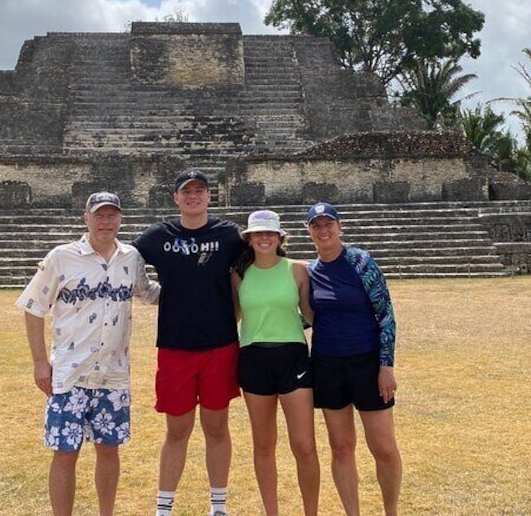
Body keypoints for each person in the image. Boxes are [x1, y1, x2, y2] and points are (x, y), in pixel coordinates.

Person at [15, 191, 160, 516]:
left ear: (120, 218)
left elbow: (148, 293)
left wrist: (197, 284)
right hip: (70, 372)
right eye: (99, 215)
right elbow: (33, 307)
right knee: (66, 452)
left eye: (112, 215)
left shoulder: (131, 258)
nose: (105, 222)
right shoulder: (61, 258)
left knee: (109, 449)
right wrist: (40, 362)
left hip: (113, 373)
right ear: (86, 218)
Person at [131, 169, 245, 516]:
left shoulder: (229, 235)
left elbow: (250, 273)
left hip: (219, 345)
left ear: (211, 196)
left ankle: (218, 505)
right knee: (177, 429)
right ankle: (164, 507)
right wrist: (151, 294)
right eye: (187, 192)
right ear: (176, 198)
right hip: (175, 347)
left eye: (200, 191)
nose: (193, 196)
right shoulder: (158, 236)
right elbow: (127, 262)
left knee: (216, 426)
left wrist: (237, 312)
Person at [304, 202, 403, 516]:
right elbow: (306, 318)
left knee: (383, 447)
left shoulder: (360, 261)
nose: (324, 230)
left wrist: (386, 365)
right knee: (341, 447)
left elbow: (385, 314)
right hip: (328, 364)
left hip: (366, 362)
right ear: (309, 232)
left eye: (328, 224)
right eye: (317, 225)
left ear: (339, 226)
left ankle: (391, 511)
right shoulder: (309, 272)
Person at [230, 210, 320, 516]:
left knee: (304, 445)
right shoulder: (239, 274)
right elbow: (232, 318)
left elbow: (311, 314)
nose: (264, 238)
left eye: (270, 233)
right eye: (258, 234)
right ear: (250, 239)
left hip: (292, 357)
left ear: (280, 237)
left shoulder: (298, 270)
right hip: (253, 360)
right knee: (264, 444)